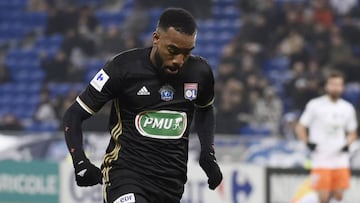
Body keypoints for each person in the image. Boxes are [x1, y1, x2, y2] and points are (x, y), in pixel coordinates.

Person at [63, 8, 223, 203]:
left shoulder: (200, 72)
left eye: (187, 53)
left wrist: (208, 152)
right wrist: (80, 161)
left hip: (171, 184)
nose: (179, 60)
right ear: (156, 38)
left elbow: (205, 109)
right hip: (125, 177)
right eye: (173, 50)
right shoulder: (122, 67)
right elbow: (73, 115)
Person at [295, 71, 358, 203]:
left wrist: (348, 144)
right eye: (333, 84)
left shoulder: (347, 108)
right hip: (321, 157)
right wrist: (307, 142)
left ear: (342, 87)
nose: (335, 88)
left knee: (339, 196)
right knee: (323, 197)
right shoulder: (315, 105)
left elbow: (352, 132)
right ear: (327, 86)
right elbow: (300, 126)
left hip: (340, 158)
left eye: (338, 85)